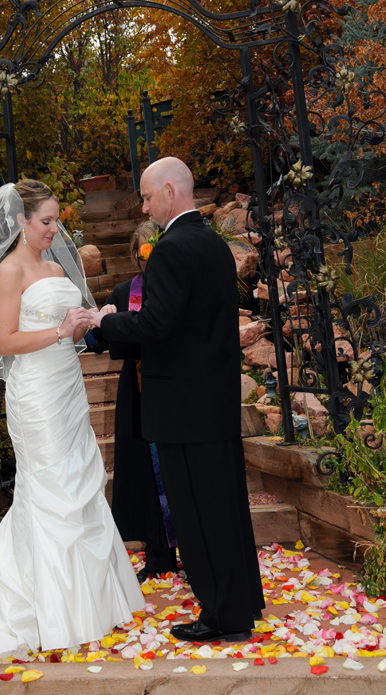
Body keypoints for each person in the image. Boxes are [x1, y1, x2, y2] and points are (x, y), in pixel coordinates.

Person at [0, 180, 143, 665]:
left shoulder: (52, 265)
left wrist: (91, 320)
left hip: (66, 386)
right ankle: (51, 607)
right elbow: (5, 342)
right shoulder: (8, 271)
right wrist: (60, 329)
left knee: (80, 481)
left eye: (55, 220)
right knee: (51, 488)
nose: (54, 229)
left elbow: (66, 330)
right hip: (36, 396)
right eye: (45, 221)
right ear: (20, 221)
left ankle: (92, 602)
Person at [89, 157, 265, 644]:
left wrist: (104, 322)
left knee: (199, 516)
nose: (144, 205)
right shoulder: (210, 244)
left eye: (147, 196)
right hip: (214, 401)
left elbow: (154, 326)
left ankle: (221, 618)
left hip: (184, 410)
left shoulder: (171, 249)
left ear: (170, 191)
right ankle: (242, 601)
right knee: (225, 508)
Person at [86, 221, 177, 581]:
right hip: (137, 394)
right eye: (142, 252)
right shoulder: (125, 292)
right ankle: (158, 557)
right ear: (133, 254)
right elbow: (97, 343)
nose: (147, 259)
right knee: (146, 474)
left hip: (173, 391)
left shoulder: (174, 289)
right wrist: (101, 322)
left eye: (153, 250)